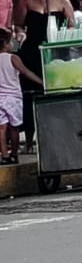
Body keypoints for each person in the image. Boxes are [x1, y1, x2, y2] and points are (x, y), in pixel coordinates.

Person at [13, 0, 74, 153]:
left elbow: (71, 26)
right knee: (30, 94)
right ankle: (29, 139)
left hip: (54, 52)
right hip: (32, 51)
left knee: (53, 92)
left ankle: (54, 136)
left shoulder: (62, 1)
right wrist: (20, 34)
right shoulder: (26, 1)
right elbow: (18, 25)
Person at [0, 27, 41, 164]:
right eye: (10, 41)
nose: (12, 44)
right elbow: (25, 72)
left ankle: (4, 155)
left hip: (0, 98)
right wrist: (41, 82)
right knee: (14, 128)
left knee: (2, 128)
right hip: (14, 98)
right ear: (5, 44)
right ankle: (14, 154)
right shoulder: (13, 58)